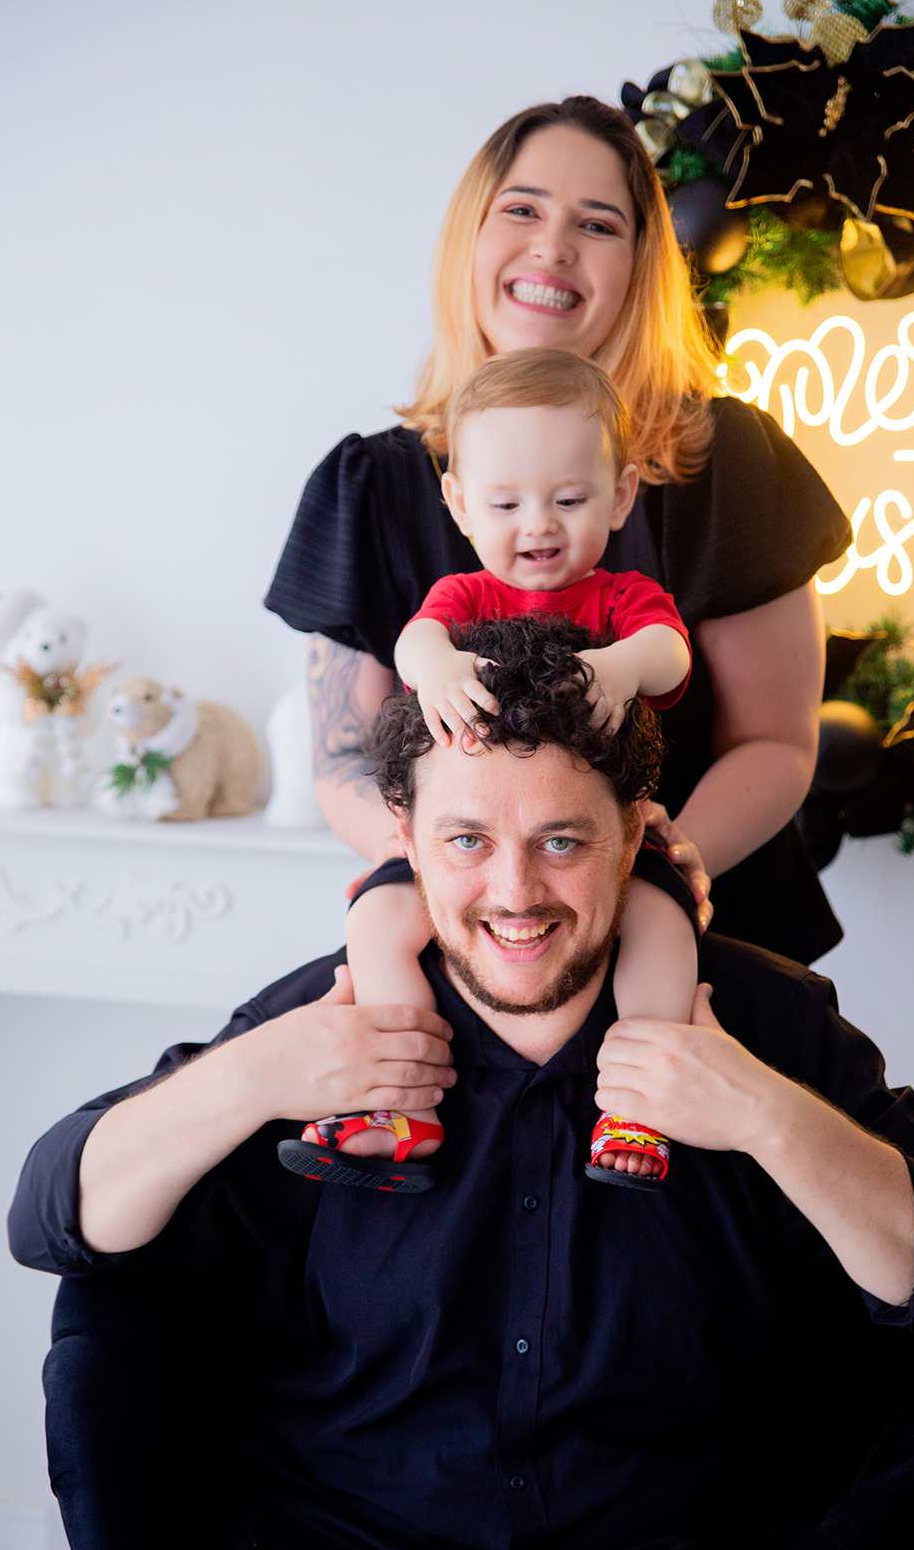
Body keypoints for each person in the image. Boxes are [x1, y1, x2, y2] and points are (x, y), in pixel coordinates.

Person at [10, 616, 914, 1550]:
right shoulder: (322, 1019)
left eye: (561, 842)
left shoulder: (762, 1025)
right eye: (465, 842)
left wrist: (761, 1116)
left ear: (636, 833)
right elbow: (54, 1218)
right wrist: (252, 1079)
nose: (514, 895)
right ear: (404, 836)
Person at [265, 95, 853, 964]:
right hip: (472, 940)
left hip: (703, 925)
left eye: (599, 223)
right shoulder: (374, 484)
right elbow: (343, 758)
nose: (553, 245)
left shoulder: (727, 463)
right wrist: (468, 880)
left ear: (641, 266)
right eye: (524, 210)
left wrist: (653, 864)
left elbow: (775, 741)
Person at [293, 348, 695, 1190]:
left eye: (570, 499)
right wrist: (432, 665)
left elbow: (666, 653)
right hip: (466, 834)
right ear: (460, 505)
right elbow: (415, 642)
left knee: (664, 927)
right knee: (374, 926)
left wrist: (622, 668)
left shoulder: (622, 600)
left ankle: (641, 1103)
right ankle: (399, 1096)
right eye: (507, 503)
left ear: (620, 495)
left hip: (594, 841)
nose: (539, 525)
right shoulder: (464, 597)